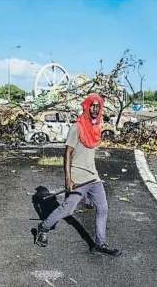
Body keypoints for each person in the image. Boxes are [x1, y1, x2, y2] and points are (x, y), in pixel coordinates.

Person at [35, 93, 122, 256]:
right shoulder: (77, 127)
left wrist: (89, 197)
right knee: (67, 210)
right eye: (92, 105)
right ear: (87, 106)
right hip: (77, 178)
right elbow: (67, 153)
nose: (95, 109)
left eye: (98, 106)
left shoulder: (97, 128)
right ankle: (44, 227)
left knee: (103, 208)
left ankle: (100, 244)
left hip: (93, 177)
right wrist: (68, 179)